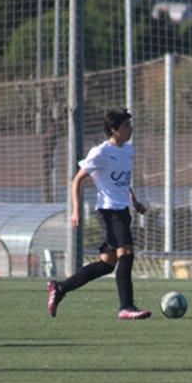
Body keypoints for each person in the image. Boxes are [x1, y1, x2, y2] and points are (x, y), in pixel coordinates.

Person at [47, 108, 151, 320]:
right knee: (127, 254)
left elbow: (122, 181)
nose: (130, 130)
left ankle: (60, 288)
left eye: (130, 125)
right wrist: (76, 210)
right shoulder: (100, 152)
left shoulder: (128, 151)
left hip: (123, 210)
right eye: (126, 126)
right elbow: (77, 180)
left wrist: (134, 200)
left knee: (107, 264)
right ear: (113, 129)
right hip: (108, 210)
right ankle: (126, 307)